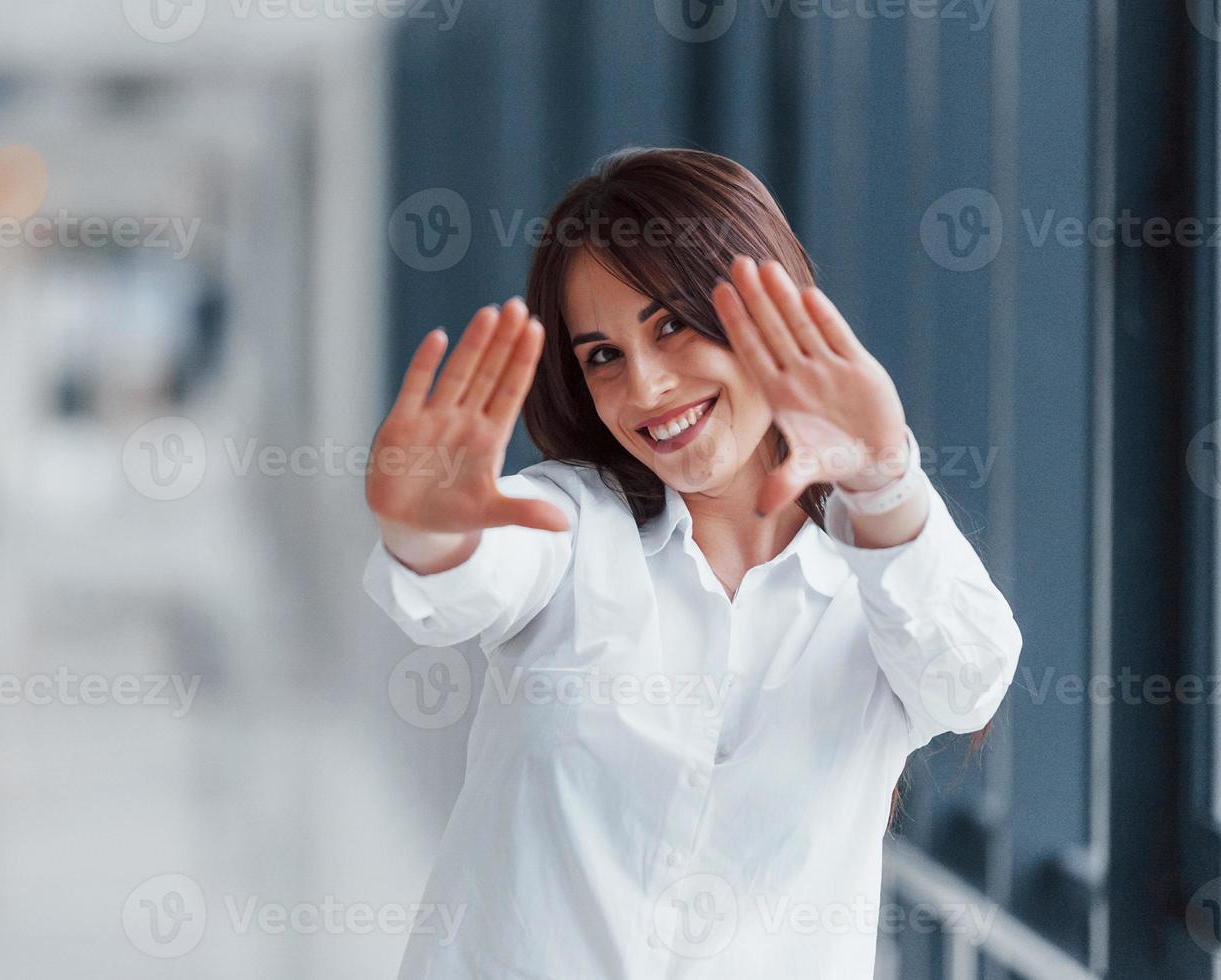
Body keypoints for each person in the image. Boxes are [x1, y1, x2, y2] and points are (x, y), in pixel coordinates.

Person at [362, 147, 1022, 979]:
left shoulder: (877, 585)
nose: (645, 387)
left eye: (670, 323)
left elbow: (970, 678)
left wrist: (885, 479)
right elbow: (468, 578)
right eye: (602, 355)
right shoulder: (573, 522)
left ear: (766, 307)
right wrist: (428, 535)